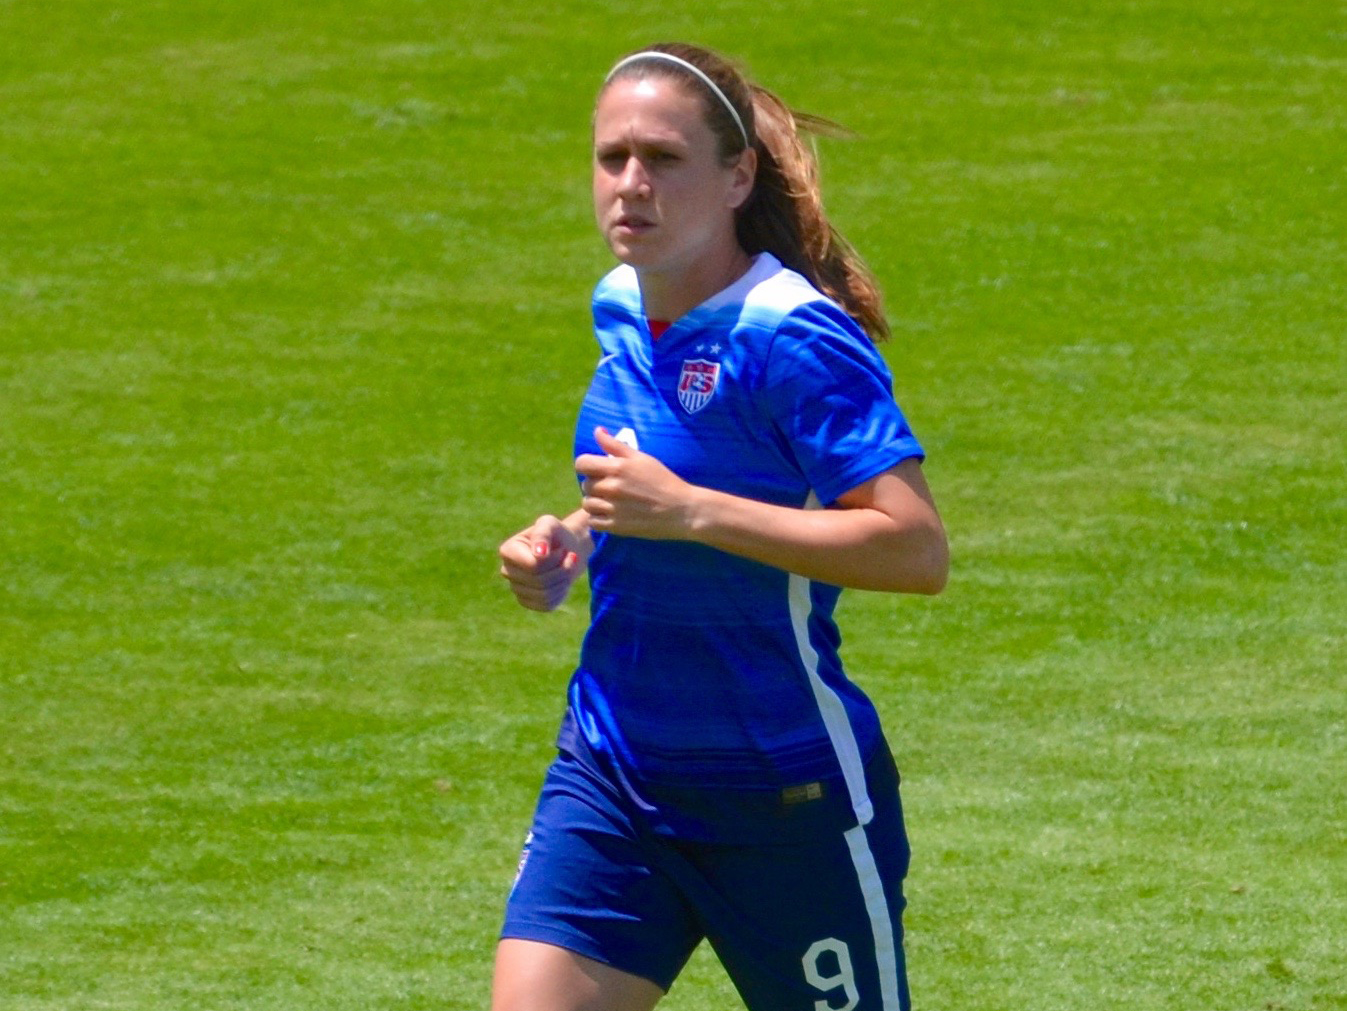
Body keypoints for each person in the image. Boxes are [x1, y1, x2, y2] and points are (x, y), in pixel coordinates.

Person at [494, 42, 948, 1011]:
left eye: (663, 159)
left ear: (738, 177)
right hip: (614, 777)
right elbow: (648, 483)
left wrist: (692, 513)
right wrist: (572, 539)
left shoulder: (791, 336)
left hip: (784, 800)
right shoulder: (622, 305)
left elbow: (914, 547)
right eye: (611, 157)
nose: (630, 183)